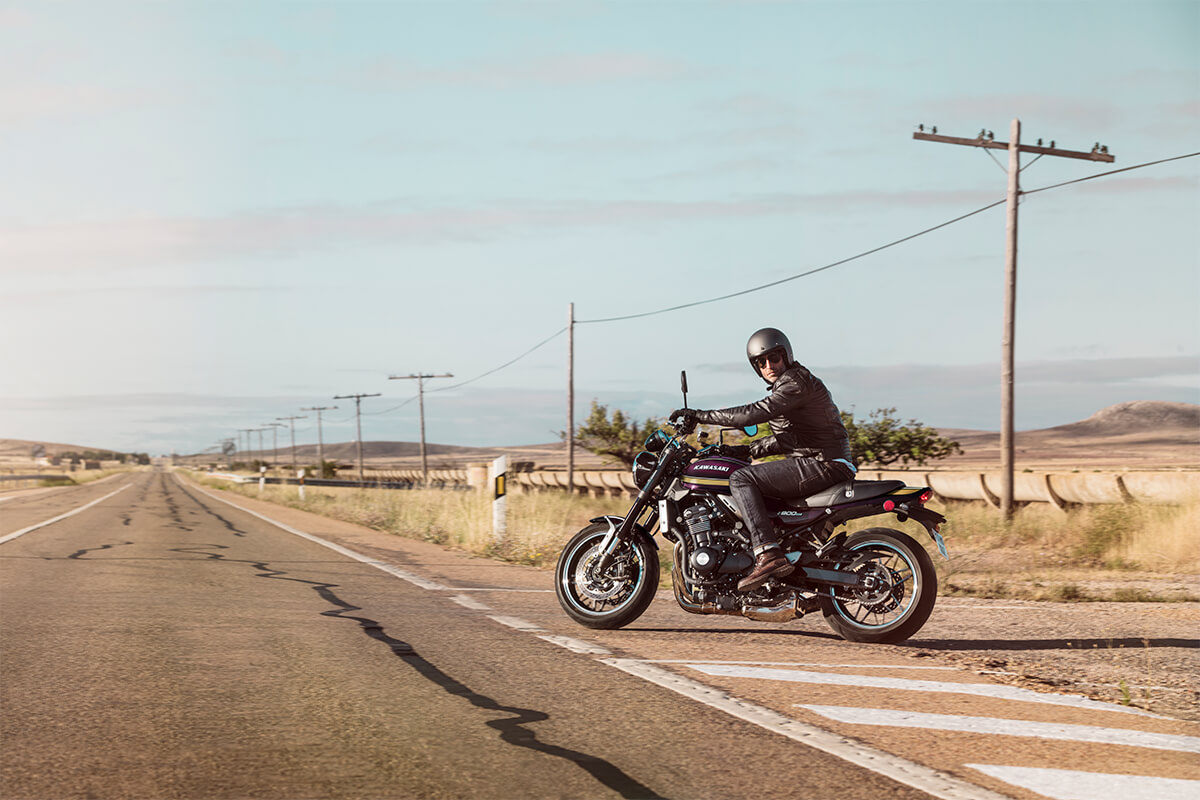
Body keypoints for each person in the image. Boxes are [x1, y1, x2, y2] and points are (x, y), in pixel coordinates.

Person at [672, 327, 856, 592]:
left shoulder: (795, 382)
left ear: (786, 356)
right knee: (750, 476)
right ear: (756, 367)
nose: (769, 365)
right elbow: (789, 439)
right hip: (822, 460)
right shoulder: (792, 386)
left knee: (742, 478)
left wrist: (701, 415)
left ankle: (768, 553)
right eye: (761, 362)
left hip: (823, 462)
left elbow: (753, 413)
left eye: (774, 358)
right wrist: (745, 451)